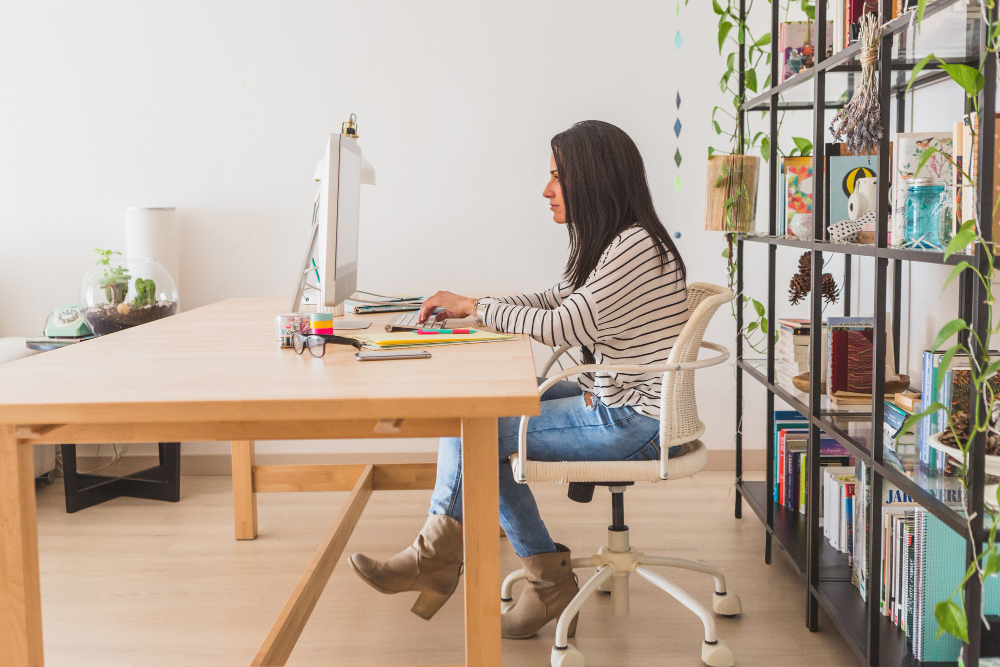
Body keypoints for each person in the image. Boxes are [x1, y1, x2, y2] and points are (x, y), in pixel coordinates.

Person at [349, 120, 689, 639]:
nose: (546, 190)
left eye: (557, 177)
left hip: (633, 421)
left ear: (593, 179)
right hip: (611, 395)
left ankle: (439, 560)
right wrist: (474, 308)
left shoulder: (634, 247)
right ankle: (536, 582)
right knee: (478, 416)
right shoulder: (615, 242)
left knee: (477, 429)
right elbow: (555, 299)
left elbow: (559, 325)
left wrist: (476, 306)